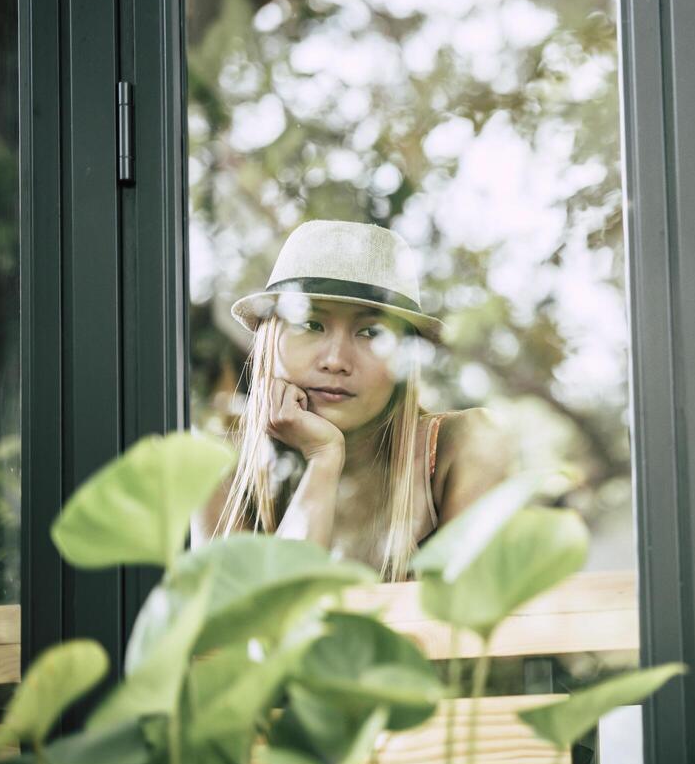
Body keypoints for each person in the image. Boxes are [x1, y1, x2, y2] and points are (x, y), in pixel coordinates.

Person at [191, 219, 512, 580]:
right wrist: (323, 460)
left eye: (371, 332)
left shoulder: (465, 444)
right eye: (310, 325)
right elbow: (259, 630)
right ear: (269, 340)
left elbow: (468, 626)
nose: (335, 360)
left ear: (405, 358)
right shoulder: (218, 469)